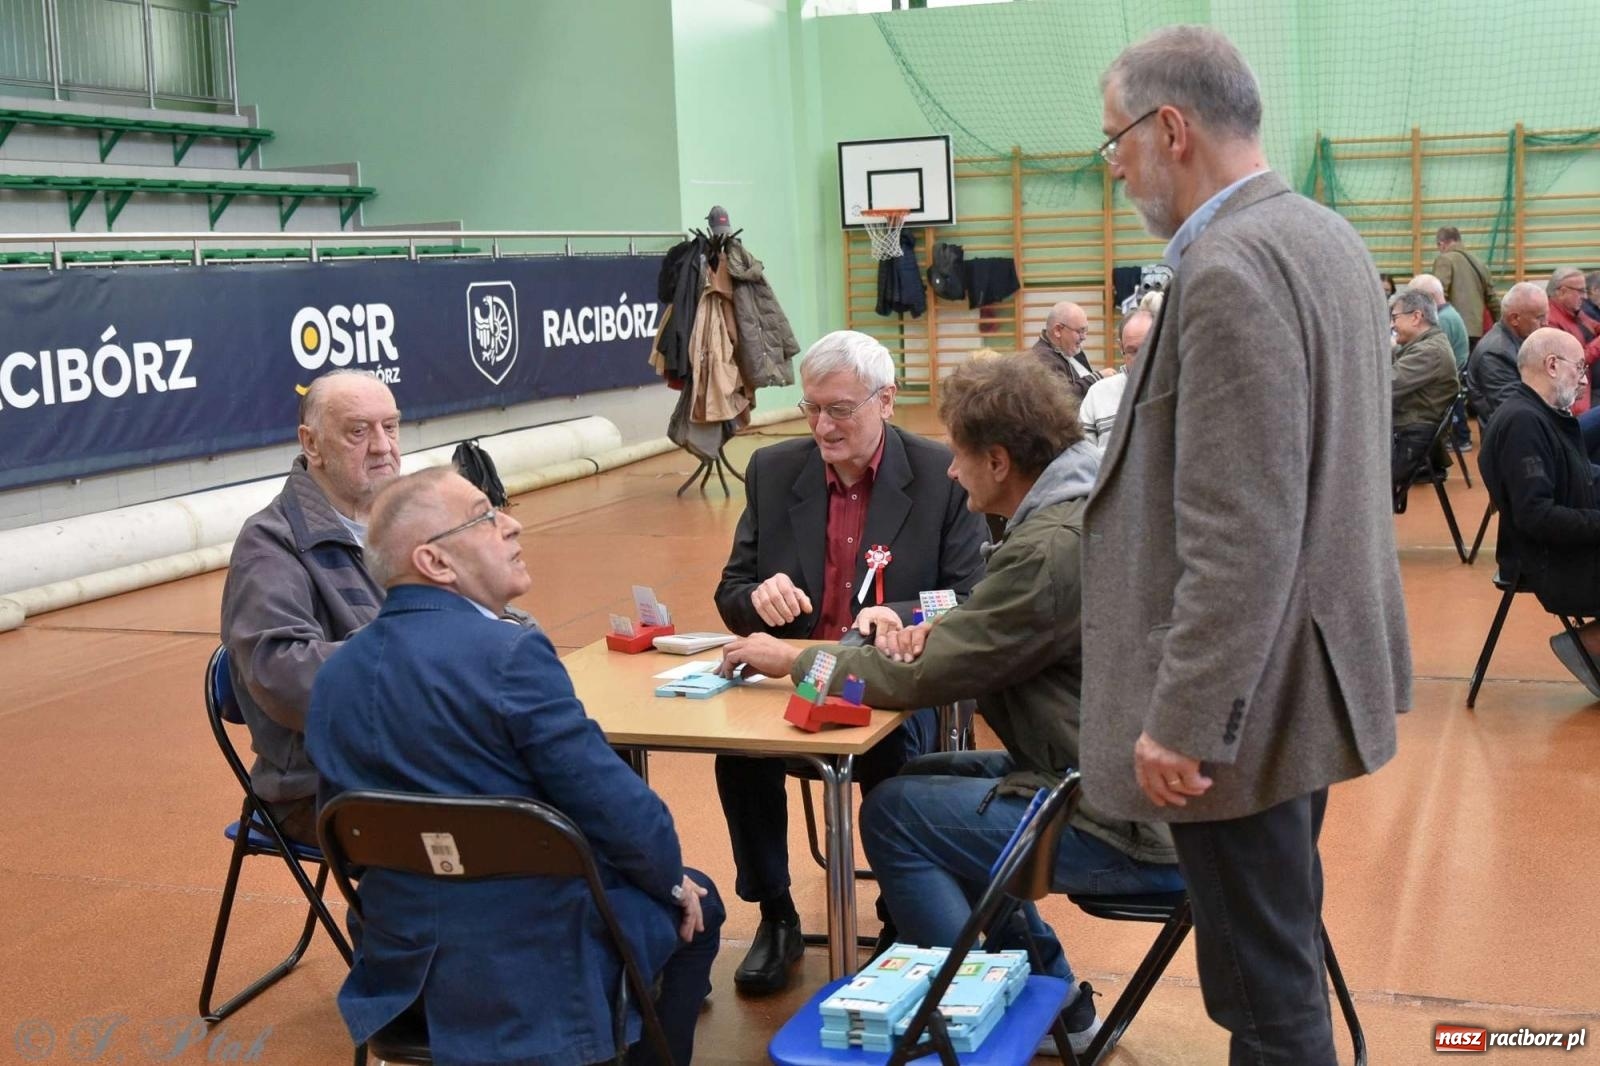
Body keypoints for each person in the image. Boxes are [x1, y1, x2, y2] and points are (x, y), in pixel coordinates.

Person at [1086, 27, 1410, 1065]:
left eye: (1116, 141)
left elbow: (1241, 529)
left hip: (1242, 707)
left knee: (1266, 1001)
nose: (1115, 166)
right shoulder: (1324, 235)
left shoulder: (1226, 266)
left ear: (1170, 129)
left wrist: (1185, 718)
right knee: (1276, 961)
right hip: (1304, 674)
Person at [718, 355, 1183, 1057]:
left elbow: (927, 678)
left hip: (1122, 817)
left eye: (961, 457)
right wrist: (948, 627)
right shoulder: (1078, 511)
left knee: (896, 814)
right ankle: (1055, 1004)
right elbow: (997, 624)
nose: (953, 472)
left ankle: (970, 1019)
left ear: (998, 461)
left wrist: (796, 661)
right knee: (922, 780)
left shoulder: (1047, 549)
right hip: (1109, 772)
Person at [306, 468, 723, 1066]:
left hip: (401, 967)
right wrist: (670, 882)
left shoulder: (333, 676)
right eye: (485, 516)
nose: (512, 523)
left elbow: (347, 834)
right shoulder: (508, 654)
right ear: (435, 562)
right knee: (700, 903)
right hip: (538, 965)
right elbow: (617, 808)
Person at [712, 329, 986, 995]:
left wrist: (907, 613)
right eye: (811, 409)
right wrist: (760, 597)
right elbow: (732, 592)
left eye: (839, 410)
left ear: (885, 401)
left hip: (893, 683)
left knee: (897, 755)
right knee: (738, 752)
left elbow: (971, 597)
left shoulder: (942, 475)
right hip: (798, 674)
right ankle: (776, 913)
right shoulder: (774, 470)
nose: (822, 427)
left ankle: (901, 915)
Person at [220, 370, 401, 845]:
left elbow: (488, 612)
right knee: (510, 822)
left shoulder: (412, 521)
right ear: (312, 444)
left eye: (391, 426)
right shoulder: (269, 543)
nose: (382, 446)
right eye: (358, 431)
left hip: (416, 750)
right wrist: (416, 653)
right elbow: (282, 675)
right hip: (322, 785)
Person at [1478, 328, 1600, 698]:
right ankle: (1590, 643)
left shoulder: (1539, 414)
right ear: (1552, 365)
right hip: (1547, 560)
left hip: (1563, 547)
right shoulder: (1524, 423)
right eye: (1579, 368)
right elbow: (1537, 517)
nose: (1583, 380)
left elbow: (1577, 473)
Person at [1389, 287, 1460, 487]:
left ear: (1416, 317)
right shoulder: (1429, 344)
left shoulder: (1430, 351)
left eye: (1395, 318)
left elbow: (1386, 386)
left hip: (1409, 437)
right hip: (1410, 432)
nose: (1392, 325)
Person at [1464, 281, 1549, 425]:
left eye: (1546, 316)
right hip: (1513, 432)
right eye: (1539, 318)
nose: (1546, 323)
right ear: (1514, 319)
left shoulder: (1521, 339)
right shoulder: (1495, 354)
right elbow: (1515, 410)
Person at [1409, 273, 1472, 448]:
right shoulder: (1447, 314)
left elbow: (1430, 356)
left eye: (1414, 299)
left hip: (1447, 378)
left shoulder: (1442, 320)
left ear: (1428, 298)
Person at [1079, 309, 1153, 448]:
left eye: (1147, 349)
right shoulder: (1097, 394)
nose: (1141, 359)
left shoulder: (1177, 391)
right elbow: (1083, 455)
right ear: (1121, 347)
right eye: (1132, 351)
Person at [1432, 225, 1500, 348]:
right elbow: (1492, 300)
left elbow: (1438, 295)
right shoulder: (1479, 263)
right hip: (1476, 331)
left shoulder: (1445, 260)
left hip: (1453, 331)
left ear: (1441, 244)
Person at [1544, 266, 1600, 413]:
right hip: (1579, 396)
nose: (1585, 297)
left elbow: (1595, 327)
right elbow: (1573, 362)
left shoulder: (1575, 312)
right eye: (1580, 291)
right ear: (1562, 292)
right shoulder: (1550, 321)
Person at [1029, 300, 1099, 397]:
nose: (1084, 337)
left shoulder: (1070, 348)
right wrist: (1096, 377)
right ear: (1058, 330)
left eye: (1085, 330)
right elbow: (1062, 397)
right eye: (1080, 331)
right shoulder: (1040, 360)